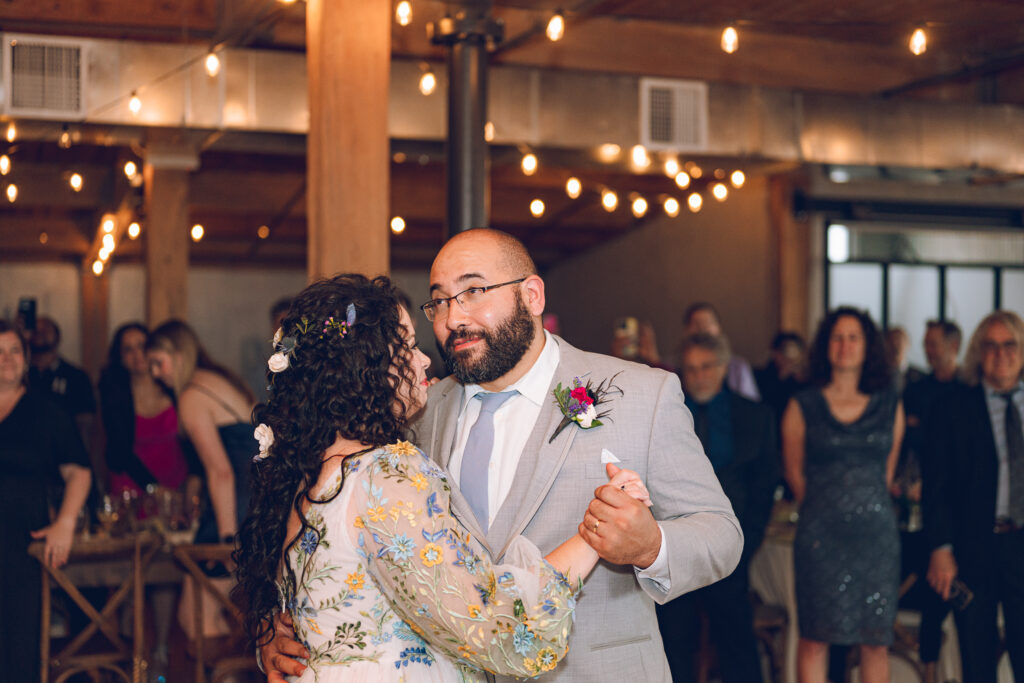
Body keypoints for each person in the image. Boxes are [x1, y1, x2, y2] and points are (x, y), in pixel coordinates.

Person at [262, 228, 742, 682]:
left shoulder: (642, 394)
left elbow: (721, 533)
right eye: (440, 301)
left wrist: (651, 546)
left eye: (473, 292)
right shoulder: (412, 415)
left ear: (531, 296)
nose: (453, 317)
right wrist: (282, 625)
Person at [235, 274, 653, 681]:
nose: (424, 360)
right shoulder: (384, 473)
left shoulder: (304, 476)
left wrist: (270, 633)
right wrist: (595, 531)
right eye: (408, 347)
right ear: (366, 368)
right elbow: (494, 631)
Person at [782, 307, 904, 683]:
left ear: (868, 347)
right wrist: (828, 510)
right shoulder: (802, 406)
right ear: (826, 346)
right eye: (837, 337)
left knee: (875, 642)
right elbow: (794, 476)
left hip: (876, 540)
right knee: (815, 639)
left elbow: (886, 474)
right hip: (821, 540)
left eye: (854, 337)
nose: (845, 345)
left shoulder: (890, 405)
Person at [657, 332, 779, 683]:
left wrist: (746, 543)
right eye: (691, 369)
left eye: (706, 367)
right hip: (677, 547)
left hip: (733, 547)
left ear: (725, 367)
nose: (698, 376)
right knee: (675, 641)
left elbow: (764, 487)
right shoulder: (669, 415)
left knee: (736, 641)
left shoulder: (755, 416)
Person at [922, 310, 1024, 683]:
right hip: (973, 549)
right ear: (978, 353)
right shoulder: (952, 407)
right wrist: (940, 547)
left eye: (1010, 344)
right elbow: (937, 485)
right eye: (991, 346)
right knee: (977, 662)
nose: (1001, 353)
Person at [98, 322, 194, 674]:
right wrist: (154, 488)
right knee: (130, 569)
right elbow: (118, 450)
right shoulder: (115, 390)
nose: (137, 355)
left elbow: (189, 442)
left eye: (143, 346)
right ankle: (127, 651)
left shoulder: (173, 385)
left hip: (173, 490)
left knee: (165, 572)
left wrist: (183, 490)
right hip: (132, 488)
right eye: (128, 349)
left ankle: (162, 650)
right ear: (120, 357)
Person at [0, 319, 92, 682]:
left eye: (14, 351)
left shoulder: (46, 412)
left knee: (19, 651)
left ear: (25, 359)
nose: (6, 359)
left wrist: (65, 523)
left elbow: (79, 472)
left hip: (22, 547)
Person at [146, 321, 255, 545]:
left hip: (236, 507)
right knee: (193, 577)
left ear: (179, 356)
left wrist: (226, 540)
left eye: (158, 363)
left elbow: (221, 471)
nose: (155, 373)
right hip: (259, 502)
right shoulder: (221, 378)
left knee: (202, 577)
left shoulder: (192, 396)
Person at [28, 315, 97, 446]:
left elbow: (85, 422)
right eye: (35, 330)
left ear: (57, 336)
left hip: (64, 447)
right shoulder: (20, 375)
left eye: (46, 330)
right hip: (25, 448)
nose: (39, 333)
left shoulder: (76, 376)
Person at [683, 302, 760, 401]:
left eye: (707, 323)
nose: (702, 328)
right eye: (696, 323)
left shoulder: (738, 366)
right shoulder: (675, 365)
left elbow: (751, 405)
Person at [755, 331, 808, 429]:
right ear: (775, 353)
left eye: (796, 352)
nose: (790, 358)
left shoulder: (804, 382)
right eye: (786, 351)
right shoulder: (758, 378)